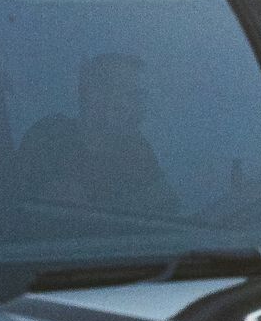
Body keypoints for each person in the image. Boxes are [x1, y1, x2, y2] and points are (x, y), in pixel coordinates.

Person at [16, 51, 179, 216]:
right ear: (89, 91)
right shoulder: (47, 137)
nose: (123, 103)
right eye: (114, 89)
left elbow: (168, 213)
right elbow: (9, 201)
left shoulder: (136, 150)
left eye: (131, 94)